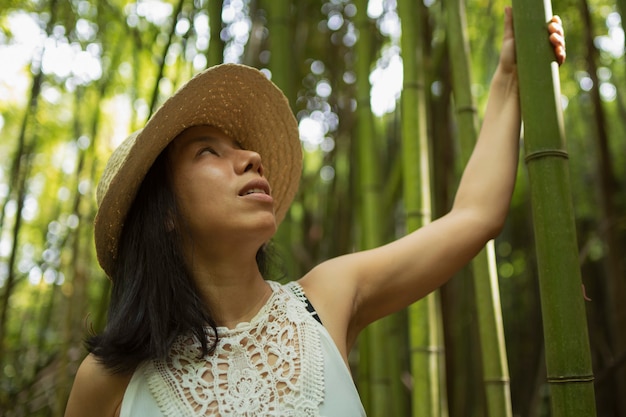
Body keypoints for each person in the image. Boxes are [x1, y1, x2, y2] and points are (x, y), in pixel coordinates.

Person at [65, 8, 566, 417]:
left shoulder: (325, 299)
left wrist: (509, 79)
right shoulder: (108, 382)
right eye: (208, 152)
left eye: (243, 147)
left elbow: (474, 217)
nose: (251, 157)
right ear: (165, 213)